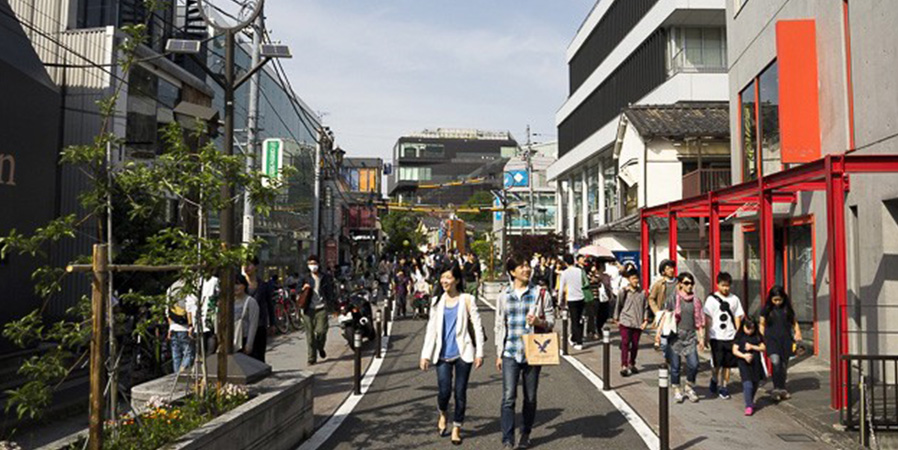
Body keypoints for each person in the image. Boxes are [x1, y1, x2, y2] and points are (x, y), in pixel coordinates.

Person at [419, 264, 485, 445]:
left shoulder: (467, 299)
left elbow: (478, 328)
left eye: (448, 277)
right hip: (442, 355)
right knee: (444, 391)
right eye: (442, 278)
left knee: (460, 392)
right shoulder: (436, 302)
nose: (444, 281)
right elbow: (431, 330)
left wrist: (480, 352)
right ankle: (443, 413)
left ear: (456, 279)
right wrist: (425, 354)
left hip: (463, 353)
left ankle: (457, 427)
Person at [496, 255, 555, 449]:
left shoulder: (540, 293)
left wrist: (539, 322)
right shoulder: (504, 295)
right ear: (512, 272)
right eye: (521, 266)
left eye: (527, 266)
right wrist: (499, 352)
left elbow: (552, 321)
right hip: (510, 351)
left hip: (533, 352)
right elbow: (500, 325)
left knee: (530, 397)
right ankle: (507, 437)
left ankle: (525, 433)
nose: (526, 270)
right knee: (508, 397)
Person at [660, 272, 705, 403]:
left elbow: (700, 321)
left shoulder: (696, 301)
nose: (689, 286)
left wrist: (701, 338)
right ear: (680, 284)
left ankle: (689, 386)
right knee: (675, 366)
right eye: (686, 283)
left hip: (690, 336)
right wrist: (659, 334)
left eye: (691, 283)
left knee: (694, 364)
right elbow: (665, 316)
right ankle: (677, 390)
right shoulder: (673, 299)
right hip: (675, 336)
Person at [704, 272, 745, 400]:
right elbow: (708, 318)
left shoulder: (735, 299)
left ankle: (724, 386)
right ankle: (714, 379)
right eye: (723, 285)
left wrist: (738, 335)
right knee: (717, 363)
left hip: (730, 336)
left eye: (727, 286)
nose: (725, 288)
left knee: (727, 364)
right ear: (717, 285)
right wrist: (706, 335)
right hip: (716, 336)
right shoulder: (711, 299)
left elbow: (738, 317)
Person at [760, 285, 802, 401]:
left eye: (779, 299)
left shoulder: (787, 309)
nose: (777, 302)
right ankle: (776, 388)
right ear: (771, 299)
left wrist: (798, 332)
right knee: (775, 362)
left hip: (786, 340)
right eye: (775, 300)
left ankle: (782, 388)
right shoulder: (767, 309)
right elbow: (762, 324)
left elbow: (794, 322)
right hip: (771, 339)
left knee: (783, 365)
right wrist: (761, 339)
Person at [613, 269, 650, 376]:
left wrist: (645, 320)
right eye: (633, 278)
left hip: (637, 322)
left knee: (634, 344)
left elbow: (645, 307)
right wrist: (616, 318)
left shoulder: (642, 293)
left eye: (636, 278)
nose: (635, 280)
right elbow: (618, 305)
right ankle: (624, 365)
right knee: (625, 342)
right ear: (629, 279)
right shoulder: (623, 292)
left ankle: (632, 363)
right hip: (625, 321)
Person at [300, 255, 335, 366]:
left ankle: (320, 347)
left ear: (318, 264)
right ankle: (311, 358)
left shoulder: (325, 277)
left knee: (321, 331)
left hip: (321, 308)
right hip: (308, 309)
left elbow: (330, 293)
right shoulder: (305, 277)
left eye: (314, 263)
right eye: (310, 263)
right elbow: (296, 290)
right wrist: (302, 288)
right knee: (310, 336)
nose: (312, 266)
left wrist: (333, 308)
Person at [243, 256, 276, 363]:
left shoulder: (263, 285)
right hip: (243, 325)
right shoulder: (240, 285)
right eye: (244, 264)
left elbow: (269, 305)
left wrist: (272, 323)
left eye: (249, 264)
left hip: (260, 324)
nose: (246, 267)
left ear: (256, 267)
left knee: (259, 355)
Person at [733, 317, 766, 416]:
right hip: (743, 363)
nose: (749, 331)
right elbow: (734, 350)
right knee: (748, 384)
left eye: (752, 329)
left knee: (755, 383)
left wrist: (753, 347)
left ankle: (750, 400)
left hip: (756, 363)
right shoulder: (739, 336)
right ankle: (748, 406)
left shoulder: (756, 336)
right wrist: (744, 356)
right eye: (748, 328)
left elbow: (763, 347)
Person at [166, 278, 197, 374]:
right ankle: (182, 374)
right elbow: (189, 309)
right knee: (188, 353)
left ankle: (176, 375)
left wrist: (170, 327)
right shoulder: (189, 287)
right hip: (185, 327)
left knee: (176, 355)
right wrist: (191, 325)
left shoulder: (171, 288)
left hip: (174, 327)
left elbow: (168, 310)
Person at [557, 254, 586, 350]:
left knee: (574, 320)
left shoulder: (564, 273)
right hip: (581, 297)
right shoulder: (580, 271)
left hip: (571, 298)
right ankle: (576, 337)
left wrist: (559, 301)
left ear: (565, 262)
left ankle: (578, 341)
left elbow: (561, 288)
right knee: (580, 319)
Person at [650, 259, 678, 351]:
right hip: (664, 315)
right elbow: (651, 298)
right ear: (663, 271)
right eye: (668, 268)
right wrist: (657, 312)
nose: (671, 270)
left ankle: (672, 361)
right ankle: (667, 359)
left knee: (675, 339)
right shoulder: (659, 284)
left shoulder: (679, 283)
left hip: (677, 314)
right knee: (665, 340)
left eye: (672, 268)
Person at [234, 274, 260, 355]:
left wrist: (249, 344)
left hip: (244, 340)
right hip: (232, 341)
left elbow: (253, 324)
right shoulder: (228, 302)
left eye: (238, 284)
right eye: (233, 284)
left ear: (244, 285)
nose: (235, 287)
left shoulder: (251, 302)